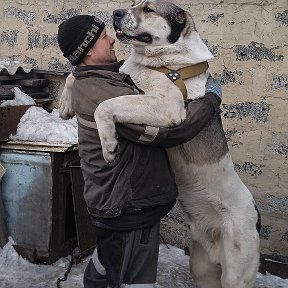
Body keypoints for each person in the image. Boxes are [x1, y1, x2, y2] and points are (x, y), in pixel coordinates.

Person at [57, 15, 222, 288]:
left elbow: (129, 74)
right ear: (86, 51)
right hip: (129, 207)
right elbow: (172, 131)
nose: (112, 39)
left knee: (110, 256)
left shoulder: (97, 78)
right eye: (102, 38)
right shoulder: (104, 94)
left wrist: (72, 77)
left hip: (114, 202)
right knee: (134, 278)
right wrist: (211, 99)